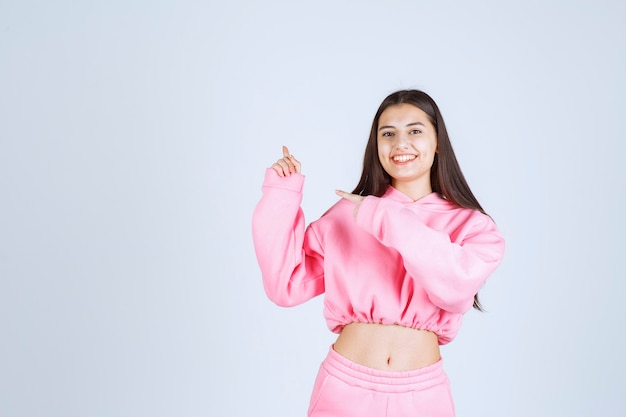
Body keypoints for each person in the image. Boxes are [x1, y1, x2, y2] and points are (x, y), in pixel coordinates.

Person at [252, 89, 505, 417]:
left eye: (415, 130)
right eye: (388, 133)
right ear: (376, 146)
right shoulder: (349, 214)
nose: (401, 143)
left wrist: (385, 217)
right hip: (344, 388)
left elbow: (454, 289)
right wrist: (280, 195)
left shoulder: (473, 226)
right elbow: (285, 285)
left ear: (438, 141)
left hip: (422, 395)